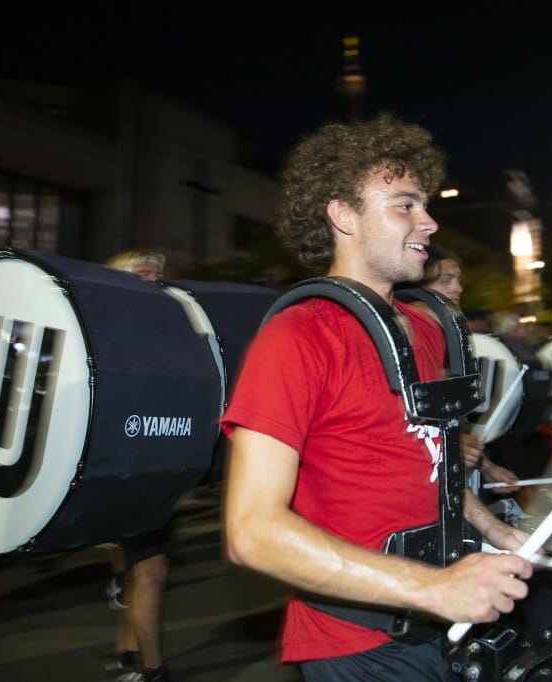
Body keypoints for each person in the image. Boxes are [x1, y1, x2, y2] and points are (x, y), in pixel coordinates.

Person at [221, 114, 533, 679]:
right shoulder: (297, 337)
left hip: (446, 621)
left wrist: (489, 525)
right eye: (405, 205)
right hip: (356, 645)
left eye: (425, 204)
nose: (430, 222)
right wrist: (433, 587)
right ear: (343, 215)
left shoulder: (429, 328)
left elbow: (424, 461)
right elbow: (251, 531)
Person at [103, 249, 172, 682]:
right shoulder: (104, 331)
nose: (152, 278)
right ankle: (154, 670)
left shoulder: (171, 330)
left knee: (145, 568)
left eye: (157, 273)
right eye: (140, 272)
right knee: (153, 569)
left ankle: (127, 651)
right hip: (121, 467)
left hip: (163, 465)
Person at [414, 246, 520, 496]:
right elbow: (401, 425)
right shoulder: (410, 334)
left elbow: (450, 422)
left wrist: (486, 467)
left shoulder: (447, 333)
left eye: (458, 279)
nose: (458, 288)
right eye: (445, 280)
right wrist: (450, 445)